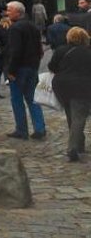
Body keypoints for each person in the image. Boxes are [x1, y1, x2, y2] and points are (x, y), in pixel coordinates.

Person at [4, 1, 46, 140]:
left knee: (17, 100)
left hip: (19, 68)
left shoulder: (15, 28)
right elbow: (39, 49)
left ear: (18, 12)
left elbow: (15, 51)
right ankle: (40, 128)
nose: (7, 13)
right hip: (32, 67)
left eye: (9, 10)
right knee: (33, 99)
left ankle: (21, 129)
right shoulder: (33, 26)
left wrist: (11, 70)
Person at [48, 26, 91, 161]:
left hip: (62, 86)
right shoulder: (88, 53)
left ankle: (79, 144)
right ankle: (73, 147)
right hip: (82, 87)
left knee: (71, 114)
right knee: (79, 116)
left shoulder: (61, 50)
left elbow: (51, 66)